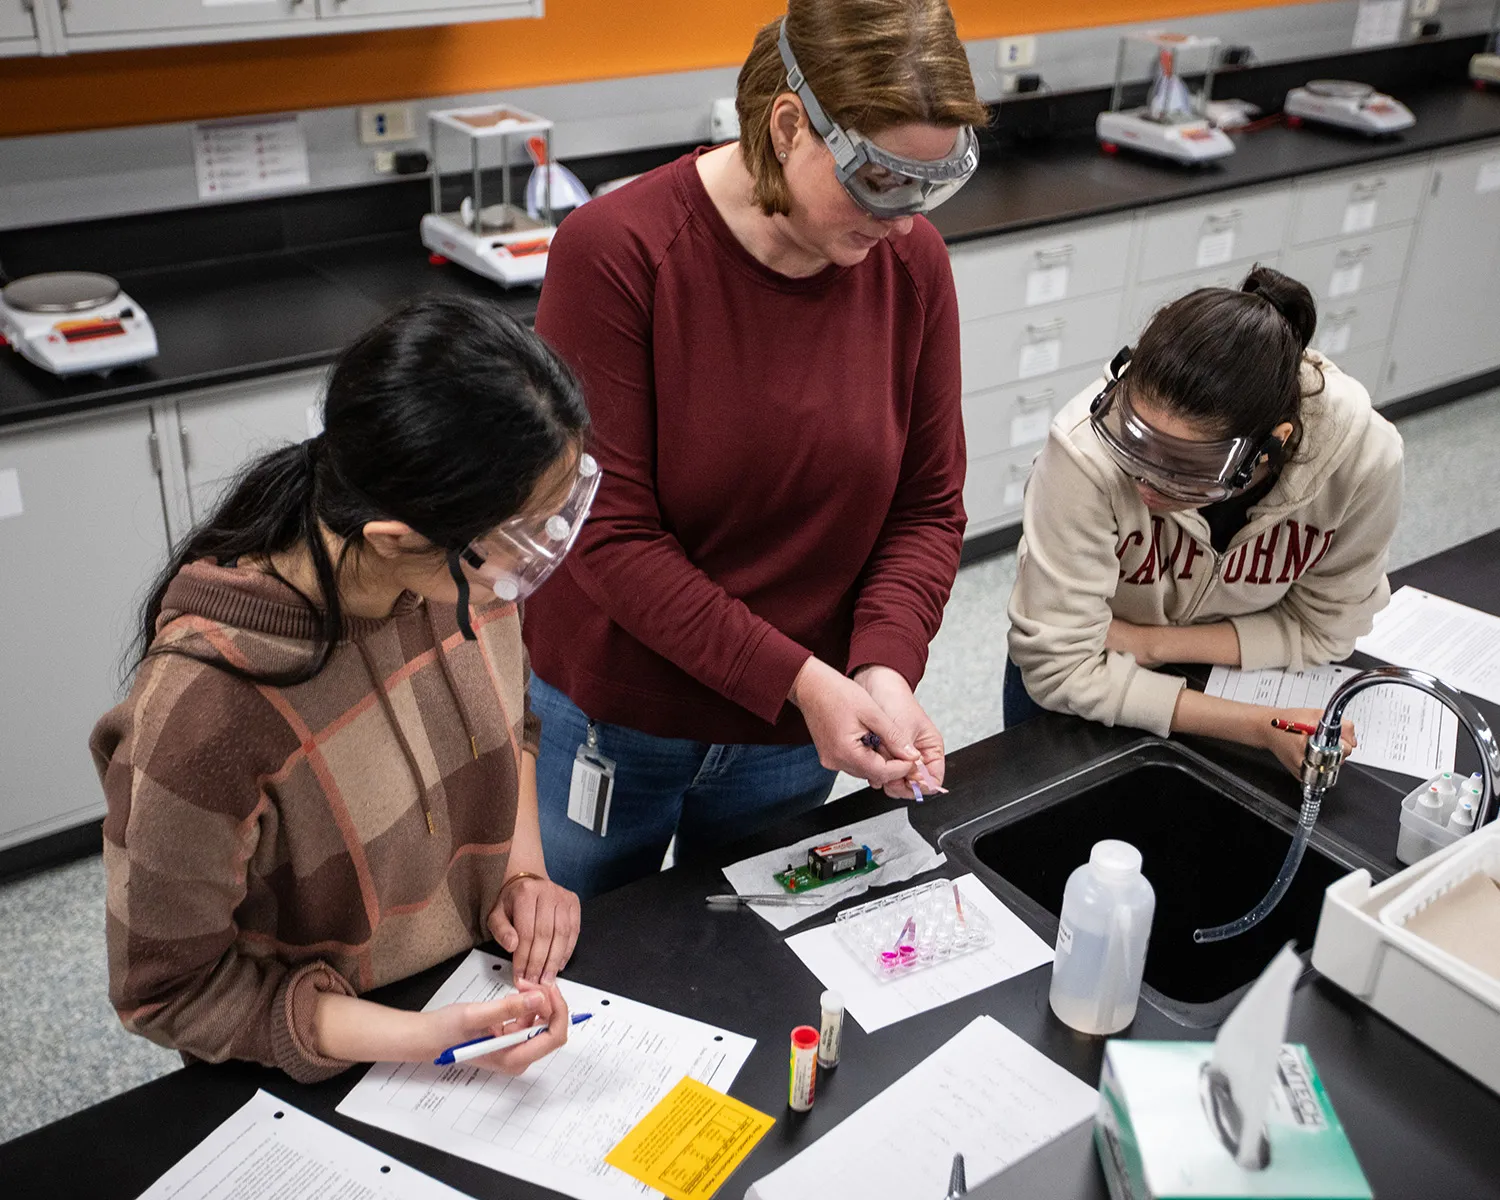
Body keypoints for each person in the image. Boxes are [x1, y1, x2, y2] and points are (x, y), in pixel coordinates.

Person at [524, 0, 989, 898]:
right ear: (789, 126)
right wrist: (803, 681)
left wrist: (883, 666)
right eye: (882, 181)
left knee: (754, 967)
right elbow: (607, 535)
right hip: (618, 721)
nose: (904, 221)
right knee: (576, 972)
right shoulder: (618, 253)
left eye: (931, 188)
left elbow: (927, 507)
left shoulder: (910, 264)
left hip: (795, 734)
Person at [92, 297, 594, 1083]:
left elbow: (515, 721)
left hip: (459, 988)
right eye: (519, 535)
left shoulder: (468, 574)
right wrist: (420, 1038)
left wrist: (523, 874)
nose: (526, 565)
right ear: (397, 542)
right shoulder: (206, 710)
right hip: (314, 1071)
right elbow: (170, 991)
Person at [1007, 266, 1403, 773]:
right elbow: (1061, 668)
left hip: (1223, 672)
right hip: (1083, 685)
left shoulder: (1364, 459)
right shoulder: (1083, 452)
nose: (1145, 485)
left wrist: (1152, 643)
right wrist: (1259, 727)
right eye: (1134, 444)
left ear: (1271, 445)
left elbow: (1325, 629)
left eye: (1184, 470)